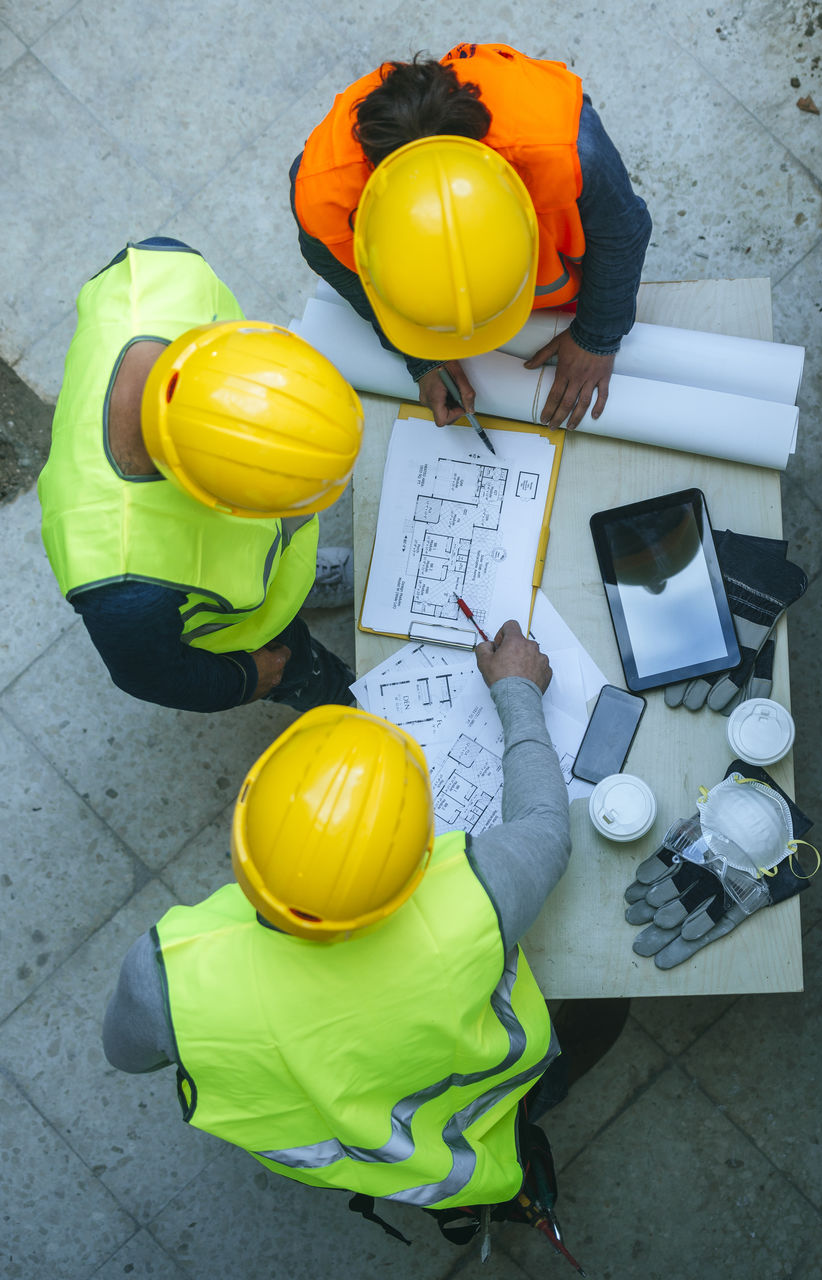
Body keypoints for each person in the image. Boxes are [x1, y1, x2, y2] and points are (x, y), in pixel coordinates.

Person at [102, 620, 580, 1218]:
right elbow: (545, 828)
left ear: (244, 834)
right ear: (421, 860)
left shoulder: (167, 972)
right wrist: (518, 692)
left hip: (337, 1157)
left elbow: (127, 1055)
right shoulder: (473, 897)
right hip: (473, 1142)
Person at [38, 237, 364, 713]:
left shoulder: (163, 269)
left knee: (279, 565)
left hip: (252, 565)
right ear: (210, 498)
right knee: (303, 671)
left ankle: (302, 582)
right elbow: (151, 674)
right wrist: (246, 676)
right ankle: (332, 696)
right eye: (272, 499)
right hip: (243, 630)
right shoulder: (124, 583)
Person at [290, 42, 652, 431]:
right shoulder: (323, 198)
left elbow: (621, 233)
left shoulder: (567, 150)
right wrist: (423, 355)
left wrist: (596, 338)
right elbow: (333, 262)